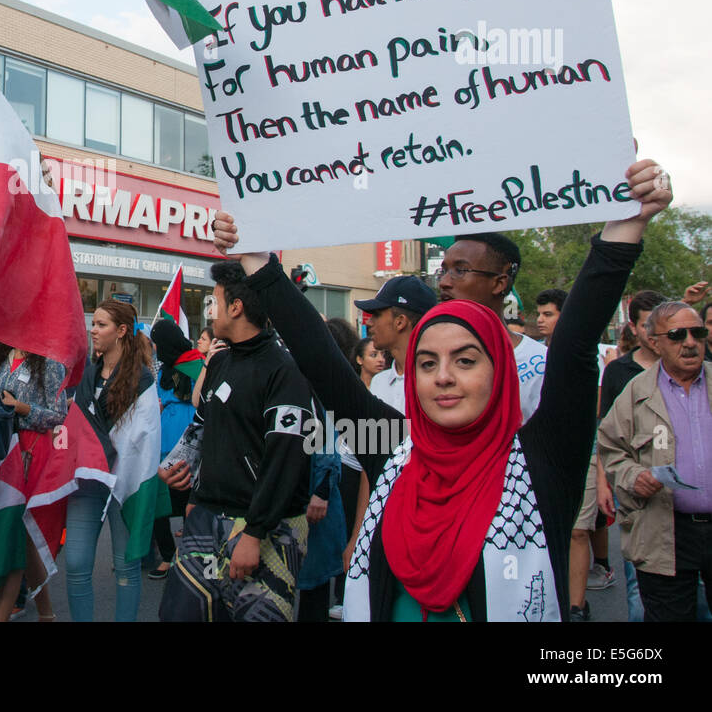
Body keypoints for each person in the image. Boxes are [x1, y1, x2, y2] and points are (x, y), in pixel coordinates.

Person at [213, 159, 668, 621]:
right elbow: (320, 359)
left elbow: (574, 344)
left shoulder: (545, 460)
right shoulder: (389, 446)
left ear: (500, 372)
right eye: (427, 363)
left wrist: (626, 221)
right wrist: (256, 258)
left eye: (466, 360)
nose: (443, 376)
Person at [159, 262, 316, 622]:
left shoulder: (285, 371)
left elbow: (286, 459)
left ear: (236, 307)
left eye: (213, 301)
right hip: (208, 522)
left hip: (264, 533)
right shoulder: (220, 361)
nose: (209, 311)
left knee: (251, 615)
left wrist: (254, 533)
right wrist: (178, 472)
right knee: (186, 612)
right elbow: (202, 425)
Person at [598, 300, 712, 621]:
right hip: (664, 530)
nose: (689, 342)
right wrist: (633, 476)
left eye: (697, 333)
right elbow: (611, 448)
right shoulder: (635, 393)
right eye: (677, 335)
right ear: (655, 341)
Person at [0, 341, 67, 621]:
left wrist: (21, 407)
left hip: (30, 455)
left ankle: (2, 615)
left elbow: (59, 414)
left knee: (15, 533)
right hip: (1, 454)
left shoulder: (50, 363)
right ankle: (46, 613)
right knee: (24, 538)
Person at [65, 299, 157, 622]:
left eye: (101, 325)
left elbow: (142, 443)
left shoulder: (142, 381)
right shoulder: (87, 375)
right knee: (75, 564)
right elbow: (75, 427)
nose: (93, 330)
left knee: (126, 566)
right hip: (88, 482)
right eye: (93, 323)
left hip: (125, 481)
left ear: (120, 332)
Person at [436, 233, 545, 420]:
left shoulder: (541, 365)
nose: (444, 283)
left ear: (499, 283)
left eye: (460, 270)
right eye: (444, 271)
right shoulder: (430, 359)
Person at [147, 318, 201, 580]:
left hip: (192, 443)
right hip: (162, 443)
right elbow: (159, 399)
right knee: (160, 505)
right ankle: (167, 555)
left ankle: (191, 557)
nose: (155, 349)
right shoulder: (162, 370)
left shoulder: (198, 364)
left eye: (157, 343)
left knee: (191, 502)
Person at [357, 275, 436, 414]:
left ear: (400, 322)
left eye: (376, 314)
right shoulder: (378, 381)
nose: (369, 322)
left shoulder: (436, 381)